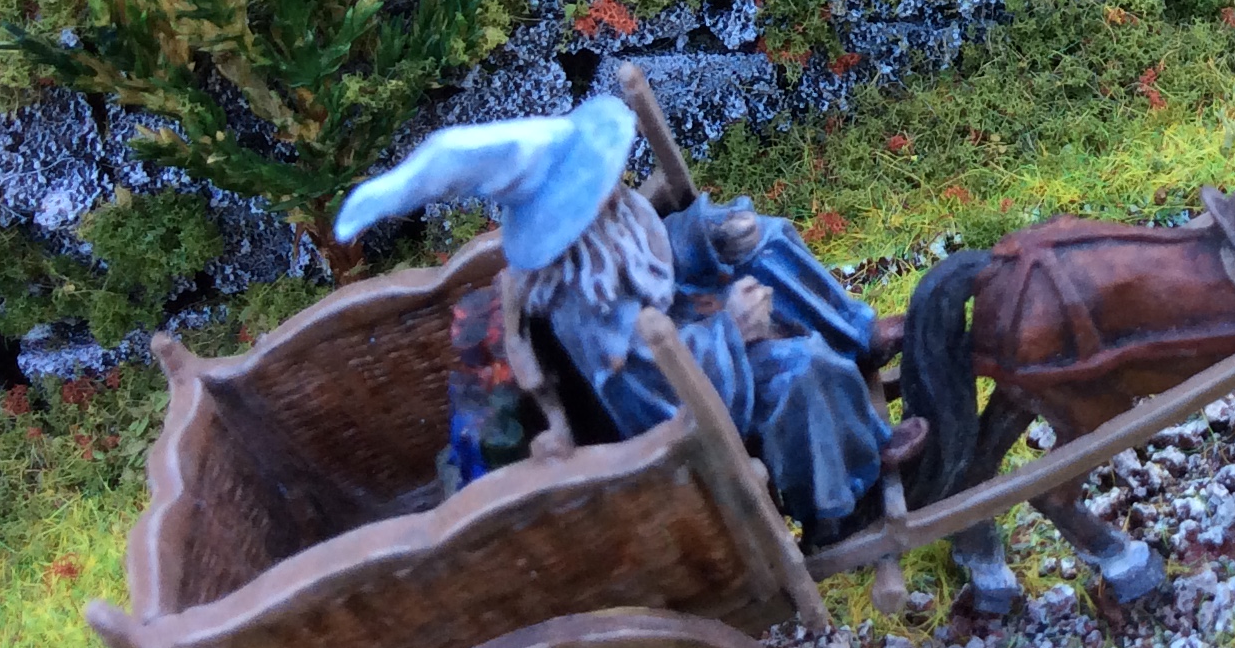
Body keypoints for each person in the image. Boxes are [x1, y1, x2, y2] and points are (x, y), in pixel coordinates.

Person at [336, 95, 924, 533]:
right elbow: (657, 399)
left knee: (765, 243)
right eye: (603, 192)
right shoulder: (590, 316)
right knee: (799, 369)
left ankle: (857, 333)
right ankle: (844, 495)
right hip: (683, 407)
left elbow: (655, 258)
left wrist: (709, 236)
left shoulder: (605, 248)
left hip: (683, 326)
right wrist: (732, 330)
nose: (618, 191)